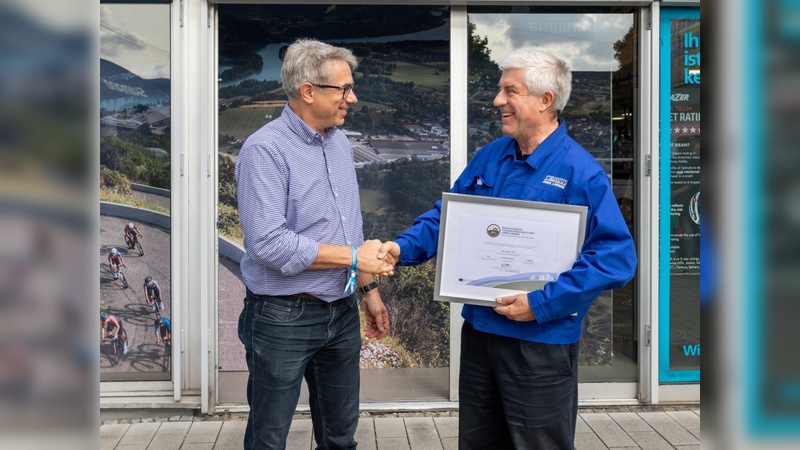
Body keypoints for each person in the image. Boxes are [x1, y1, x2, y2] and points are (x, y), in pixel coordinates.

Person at [378, 48, 638, 449]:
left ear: (545, 100)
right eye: (501, 90)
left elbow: (615, 259)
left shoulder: (581, 172)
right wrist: (401, 247)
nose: (498, 100)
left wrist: (542, 303)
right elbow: (446, 219)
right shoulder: (491, 155)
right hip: (481, 334)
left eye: (509, 90)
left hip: (541, 344)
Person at [235, 38, 395, 450]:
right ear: (309, 91)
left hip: (340, 314)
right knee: (268, 439)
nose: (352, 98)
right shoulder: (264, 150)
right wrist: (356, 258)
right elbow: (268, 244)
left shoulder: (339, 143)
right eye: (343, 89)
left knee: (341, 435)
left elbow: (348, 227)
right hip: (281, 317)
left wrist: (368, 289)